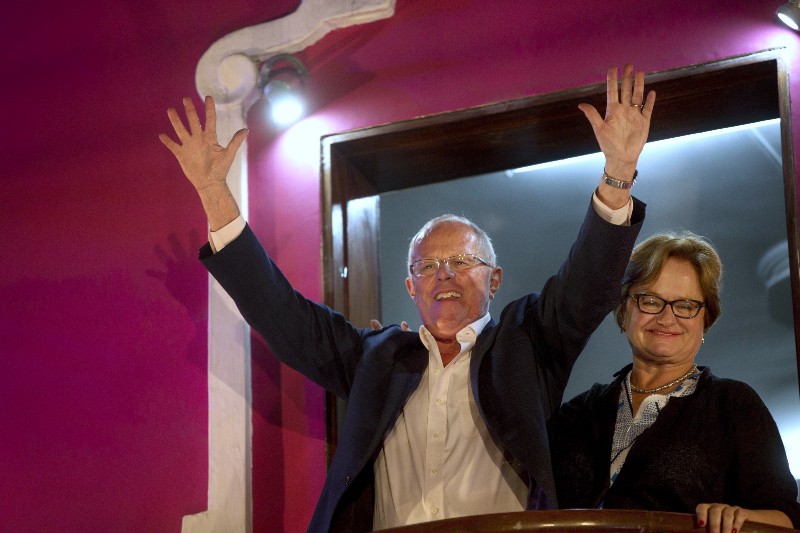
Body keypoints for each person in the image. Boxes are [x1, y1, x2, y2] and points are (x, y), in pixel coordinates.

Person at [160, 64, 654, 532]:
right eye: (427, 266)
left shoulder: (528, 344)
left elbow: (588, 286)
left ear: (495, 279)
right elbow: (283, 316)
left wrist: (618, 173)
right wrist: (213, 193)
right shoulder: (375, 359)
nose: (444, 275)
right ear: (410, 287)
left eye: (462, 262)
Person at [549, 231, 800, 533]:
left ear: (705, 318)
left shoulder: (732, 403)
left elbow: (788, 517)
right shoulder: (578, 412)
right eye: (650, 300)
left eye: (685, 305)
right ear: (624, 309)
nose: (667, 318)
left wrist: (737, 517)